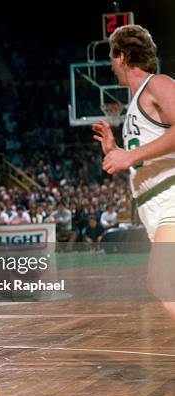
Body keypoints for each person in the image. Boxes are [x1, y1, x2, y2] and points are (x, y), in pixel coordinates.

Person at [92, 25, 175, 320]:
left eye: (112, 57)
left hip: (170, 198)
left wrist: (129, 155)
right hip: (153, 205)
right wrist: (114, 150)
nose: (111, 65)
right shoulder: (136, 103)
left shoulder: (158, 84)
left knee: (162, 281)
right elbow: (139, 158)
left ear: (123, 56)